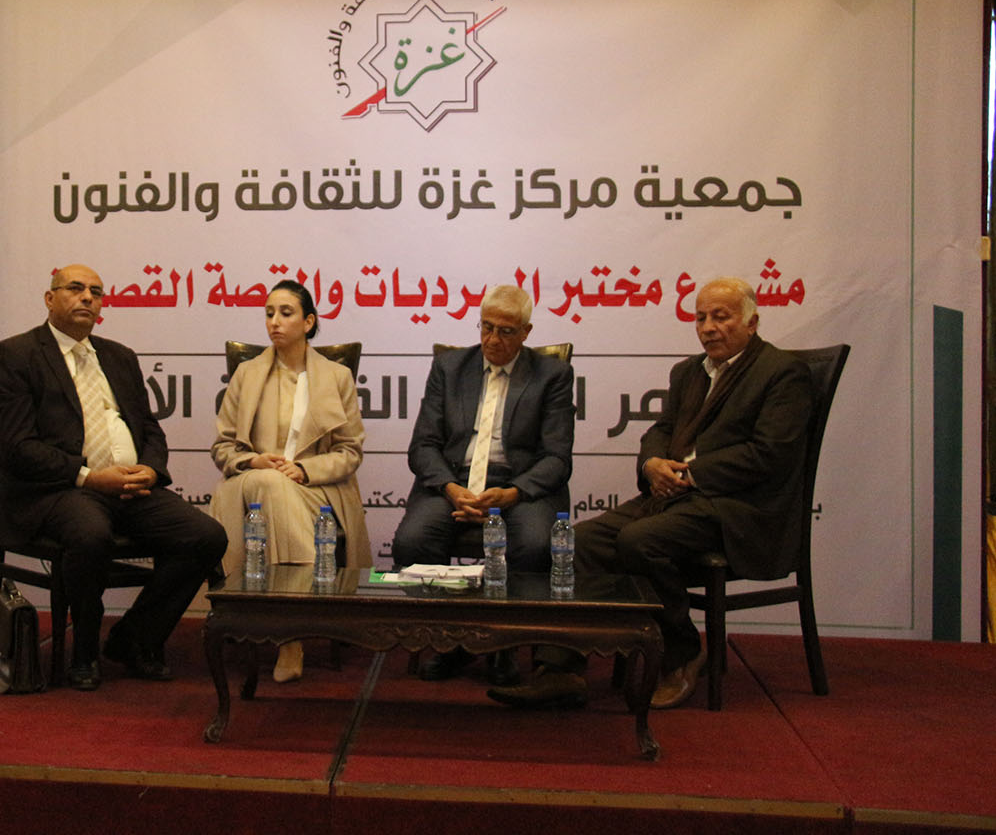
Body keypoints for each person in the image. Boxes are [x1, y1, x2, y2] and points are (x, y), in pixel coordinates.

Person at [488, 276, 814, 710]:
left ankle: (683, 655)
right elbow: (661, 431)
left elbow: (769, 454)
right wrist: (652, 464)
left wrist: (692, 474)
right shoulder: (689, 372)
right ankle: (560, 669)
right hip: (676, 498)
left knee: (640, 541)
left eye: (721, 317)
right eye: (701, 318)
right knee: (579, 542)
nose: (708, 328)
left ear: (752, 322)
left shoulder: (782, 373)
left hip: (739, 508)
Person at [0, 264, 228, 691]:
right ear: (49, 298)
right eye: (75, 289)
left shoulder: (119, 357)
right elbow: (18, 447)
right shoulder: (17, 355)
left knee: (205, 536)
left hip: (130, 488)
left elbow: (149, 428)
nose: (87, 298)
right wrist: (89, 477)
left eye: (95, 292)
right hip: (61, 490)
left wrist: (150, 469)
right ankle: (84, 651)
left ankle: (135, 639)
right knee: (90, 534)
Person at [392, 284, 574, 682]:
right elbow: (423, 445)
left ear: (526, 332)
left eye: (505, 331)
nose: (492, 339)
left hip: (519, 486)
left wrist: (511, 494)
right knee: (412, 542)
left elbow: (557, 457)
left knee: (536, 544)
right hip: (454, 481)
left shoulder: (552, 374)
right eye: (486, 327)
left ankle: (504, 645)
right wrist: (451, 488)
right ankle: (448, 640)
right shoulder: (450, 367)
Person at [209, 279, 371, 683]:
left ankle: (283, 624)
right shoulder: (247, 374)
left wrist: (305, 470)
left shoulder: (336, 376)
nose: (274, 322)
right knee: (270, 483)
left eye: (285, 313)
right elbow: (222, 448)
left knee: (279, 487)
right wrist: (253, 460)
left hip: (318, 489)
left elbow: (350, 452)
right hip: (250, 483)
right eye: (269, 313)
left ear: (309, 322)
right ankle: (293, 632)